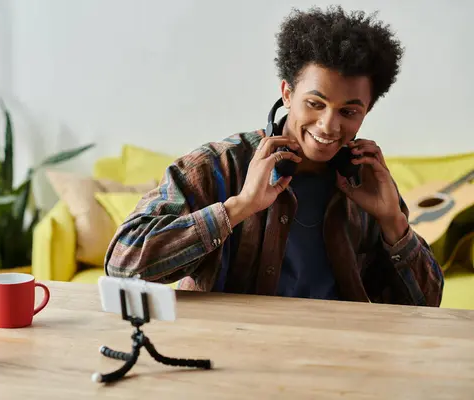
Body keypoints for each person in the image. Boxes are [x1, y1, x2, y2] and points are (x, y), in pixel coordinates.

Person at [103, 5, 444, 306]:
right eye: (315, 103)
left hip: (339, 356)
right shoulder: (217, 166)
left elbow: (426, 306)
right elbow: (123, 262)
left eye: (349, 112)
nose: (328, 125)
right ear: (287, 94)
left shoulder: (367, 180)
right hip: (230, 355)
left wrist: (393, 223)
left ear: (366, 111)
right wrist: (239, 207)